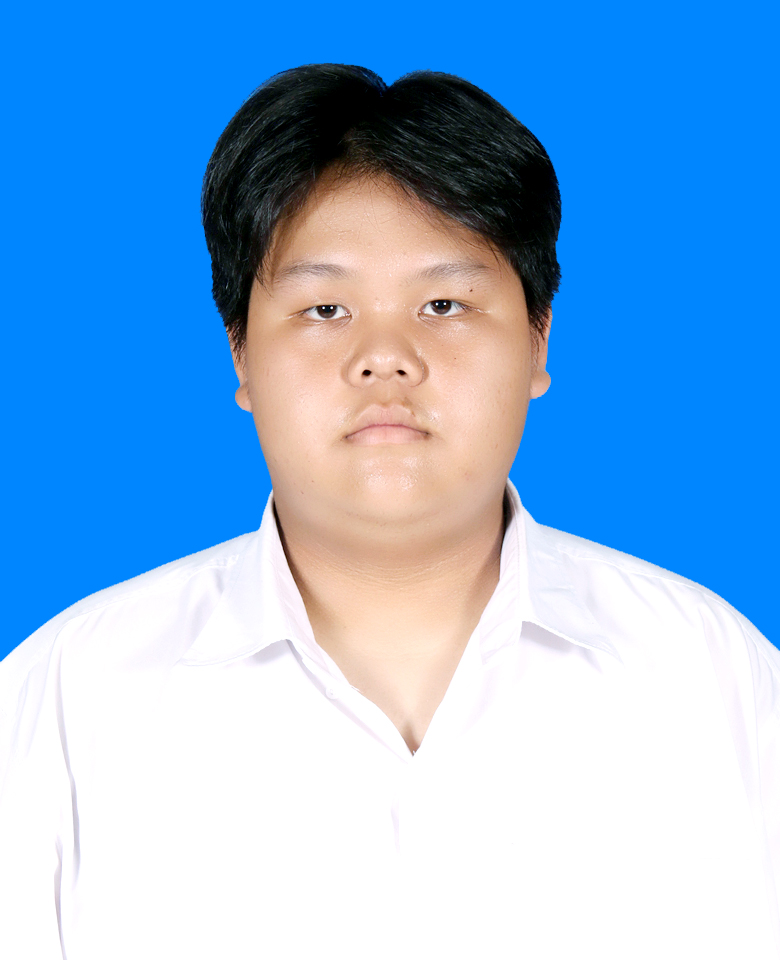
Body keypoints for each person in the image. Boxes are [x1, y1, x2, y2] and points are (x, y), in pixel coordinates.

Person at [1, 64, 778, 960]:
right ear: (241, 354)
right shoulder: (67, 699)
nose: (385, 357)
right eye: (325, 308)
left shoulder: (714, 681)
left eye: (443, 304)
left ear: (538, 340)